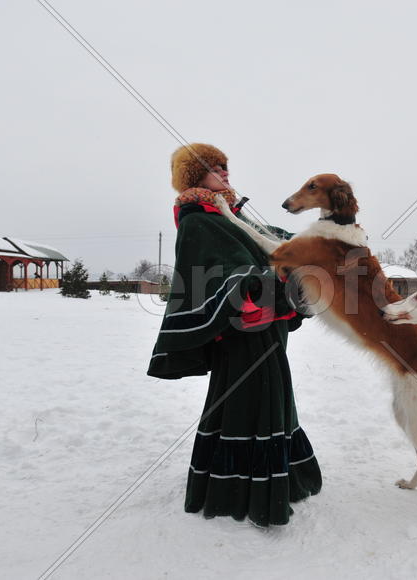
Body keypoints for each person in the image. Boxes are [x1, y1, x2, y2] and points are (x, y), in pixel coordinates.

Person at [147, 143, 321, 527]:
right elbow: (216, 268)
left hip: (269, 324)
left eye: (226, 166)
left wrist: (324, 242)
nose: (225, 172)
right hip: (242, 330)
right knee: (252, 401)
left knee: (274, 399)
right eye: (215, 168)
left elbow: (275, 241)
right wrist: (251, 283)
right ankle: (245, 492)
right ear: (195, 177)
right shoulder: (198, 218)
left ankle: (268, 478)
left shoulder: (232, 212)